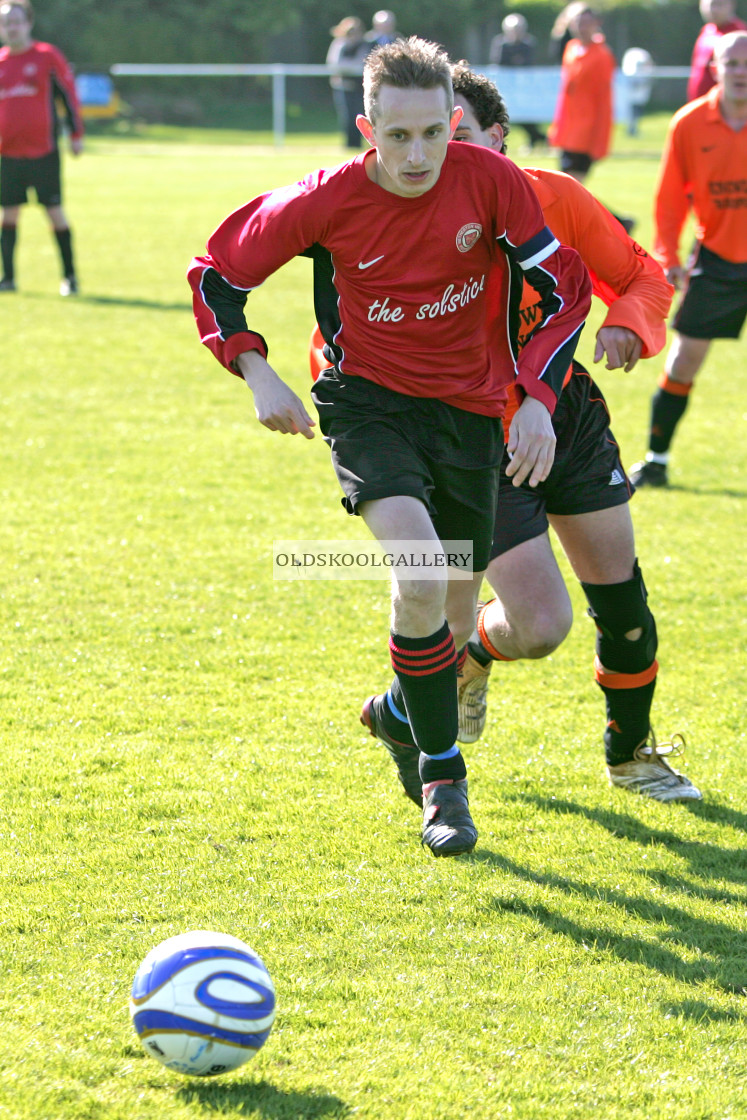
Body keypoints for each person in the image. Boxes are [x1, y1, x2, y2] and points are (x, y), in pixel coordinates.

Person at [189, 37, 592, 858]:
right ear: (367, 126)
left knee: (449, 606)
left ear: (453, 124)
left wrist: (538, 402)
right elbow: (217, 276)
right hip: (367, 403)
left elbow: (563, 292)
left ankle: (401, 714)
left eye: (433, 136)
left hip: (470, 413)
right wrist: (258, 372)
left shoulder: (494, 183)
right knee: (419, 575)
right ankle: (445, 782)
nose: (416, 156)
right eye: (396, 136)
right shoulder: (324, 199)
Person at [357, 61, 700, 805]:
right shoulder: (391, 210)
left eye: (460, 138)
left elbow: (642, 277)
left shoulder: (552, 197)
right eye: (424, 141)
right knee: (542, 627)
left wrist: (629, 325)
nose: (439, 160)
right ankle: (415, 701)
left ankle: (630, 756)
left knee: (624, 604)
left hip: (565, 417)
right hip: (475, 437)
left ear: (499, 139)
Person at [629, 31, 747, 488]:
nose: (741, 72)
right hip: (716, 259)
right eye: (732, 63)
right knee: (683, 362)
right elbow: (669, 200)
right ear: (715, 69)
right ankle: (656, 460)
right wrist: (667, 254)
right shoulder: (689, 123)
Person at [0, 0, 83, 295]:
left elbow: (67, 95)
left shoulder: (47, 56)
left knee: (55, 211)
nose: (11, 27)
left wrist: (76, 134)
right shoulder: (0, 62)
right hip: (7, 154)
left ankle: (70, 278)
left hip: (43, 152)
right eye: (6, 22)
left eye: (16, 21)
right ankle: (8, 279)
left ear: (28, 23)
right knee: (8, 215)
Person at [547, 6, 615, 184]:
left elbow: (604, 100)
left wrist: (600, 140)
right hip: (569, 130)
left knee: (571, 187)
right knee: (566, 188)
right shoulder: (571, 48)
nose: (581, 27)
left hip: (586, 132)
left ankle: (614, 215)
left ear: (596, 24)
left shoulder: (602, 56)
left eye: (586, 22)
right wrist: (557, 129)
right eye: (577, 22)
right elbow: (566, 95)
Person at [488, 13, 547, 149]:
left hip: (524, 87)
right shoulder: (501, 44)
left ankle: (536, 138)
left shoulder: (528, 44)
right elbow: (498, 63)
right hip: (506, 87)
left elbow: (528, 64)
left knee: (526, 114)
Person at [326, 16, 371, 149]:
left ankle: (358, 145)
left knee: (360, 117)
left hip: (359, 88)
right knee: (347, 117)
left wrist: (347, 66)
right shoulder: (339, 45)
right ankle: (349, 145)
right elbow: (334, 64)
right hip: (343, 87)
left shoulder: (364, 45)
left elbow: (361, 64)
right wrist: (349, 66)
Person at [688, 0, 746, 102]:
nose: (713, 10)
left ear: (732, 5)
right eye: (709, 5)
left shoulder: (739, 37)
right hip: (700, 106)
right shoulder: (707, 31)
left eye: (719, 4)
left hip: (722, 110)